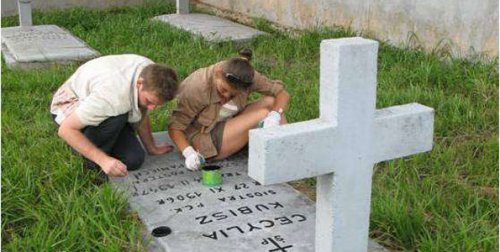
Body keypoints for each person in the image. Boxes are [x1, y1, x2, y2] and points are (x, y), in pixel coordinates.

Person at [50, 54, 178, 177]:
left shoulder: (151, 72)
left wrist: (151, 147)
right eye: (149, 102)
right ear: (139, 83)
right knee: (117, 118)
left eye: (156, 104)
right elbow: (66, 130)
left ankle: (97, 143)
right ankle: (88, 160)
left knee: (133, 159)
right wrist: (103, 160)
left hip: (109, 108)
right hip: (70, 106)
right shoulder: (111, 97)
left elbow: (141, 109)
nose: (152, 108)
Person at [168, 49, 289, 171]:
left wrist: (274, 115)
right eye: (223, 89)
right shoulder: (196, 87)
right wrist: (189, 153)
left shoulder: (247, 76)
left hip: (228, 124)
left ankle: (285, 152)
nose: (226, 96)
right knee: (263, 114)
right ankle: (280, 158)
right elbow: (175, 127)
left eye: (233, 95)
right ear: (217, 74)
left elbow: (281, 93)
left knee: (271, 102)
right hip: (205, 139)